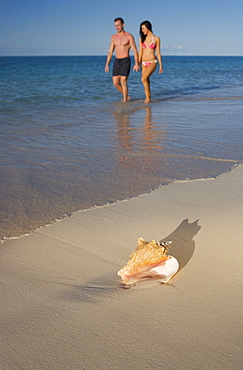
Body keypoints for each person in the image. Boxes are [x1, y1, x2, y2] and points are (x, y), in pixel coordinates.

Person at [105, 17, 140, 102]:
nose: (117, 27)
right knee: (116, 83)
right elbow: (110, 51)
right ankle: (127, 96)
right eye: (115, 26)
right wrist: (107, 64)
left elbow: (135, 50)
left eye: (118, 25)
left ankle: (125, 102)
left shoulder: (129, 36)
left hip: (125, 60)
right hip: (117, 61)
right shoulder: (113, 37)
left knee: (123, 81)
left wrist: (137, 63)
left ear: (123, 25)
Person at [139, 20, 163, 103]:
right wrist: (137, 63)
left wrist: (160, 65)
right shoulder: (142, 39)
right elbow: (140, 52)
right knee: (146, 81)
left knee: (143, 78)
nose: (142, 31)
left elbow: (158, 53)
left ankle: (148, 98)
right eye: (141, 29)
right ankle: (148, 98)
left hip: (152, 62)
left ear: (148, 28)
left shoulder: (156, 39)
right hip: (143, 63)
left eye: (143, 28)